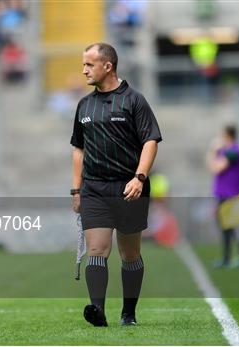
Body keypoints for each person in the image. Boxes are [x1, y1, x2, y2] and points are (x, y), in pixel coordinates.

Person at [70, 43, 162, 327]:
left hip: (130, 189)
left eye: (89, 64)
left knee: (130, 254)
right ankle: (97, 311)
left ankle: (129, 313)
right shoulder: (84, 105)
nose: (84, 69)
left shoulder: (134, 101)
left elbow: (151, 140)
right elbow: (78, 149)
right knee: (97, 250)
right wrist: (76, 189)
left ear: (107, 66)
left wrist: (140, 177)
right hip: (94, 189)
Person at [206, 125, 239, 269]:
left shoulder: (235, 151)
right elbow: (212, 165)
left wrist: (212, 150)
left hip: (232, 195)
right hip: (222, 195)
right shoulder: (224, 151)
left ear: (228, 135)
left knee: (235, 226)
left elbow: (216, 167)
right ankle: (226, 258)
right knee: (224, 228)